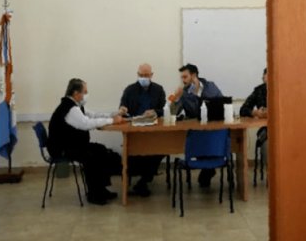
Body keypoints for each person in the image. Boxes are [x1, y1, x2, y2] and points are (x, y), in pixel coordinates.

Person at [48, 78, 125, 205]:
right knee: (93, 157)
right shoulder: (70, 108)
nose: (86, 95)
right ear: (76, 93)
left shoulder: (76, 106)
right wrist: (112, 121)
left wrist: (115, 114)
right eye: (85, 92)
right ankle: (94, 195)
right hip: (62, 148)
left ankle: (101, 189)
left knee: (101, 150)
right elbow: (86, 124)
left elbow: (93, 115)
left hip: (72, 145)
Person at [118, 63, 166, 197]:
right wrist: (122, 109)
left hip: (154, 131)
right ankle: (133, 182)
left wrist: (155, 112)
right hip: (134, 130)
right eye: (141, 75)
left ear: (152, 75)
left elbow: (164, 110)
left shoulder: (158, 89)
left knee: (159, 151)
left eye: (146, 75)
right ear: (137, 75)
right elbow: (122, 107)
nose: (144, 77)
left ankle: (144, 180)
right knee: (132, 152)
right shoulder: (130, 90)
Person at [173, 63, 223, 187]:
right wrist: (176, 99)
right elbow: (174, 112)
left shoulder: (210, 86)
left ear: (194, 75)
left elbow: (219, 104)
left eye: (185, 77)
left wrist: (198, 94)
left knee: (212, 138)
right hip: (196, 130)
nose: (183, 81)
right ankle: (207, 169)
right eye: (182, 78)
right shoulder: (184, 92)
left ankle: (208, 169)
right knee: (199, 139)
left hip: (212, 128)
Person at [240, 68, 268, 168]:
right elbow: (243, 110)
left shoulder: (285, 89)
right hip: (266, 131)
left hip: (285, 130)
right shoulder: (259, 90)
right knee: (267, 146)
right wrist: (255, 112)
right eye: (265, 76)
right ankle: (273, 179)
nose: (263, 78)